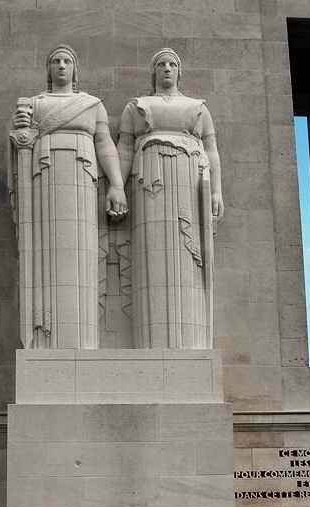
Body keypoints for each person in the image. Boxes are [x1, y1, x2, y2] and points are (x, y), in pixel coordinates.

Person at [10, 44, 126, 348]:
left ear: (75, 69)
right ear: (48, 69)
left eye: (67, 61)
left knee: (83, 252)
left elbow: (104, 145)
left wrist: (116, 185)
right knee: (48, 249)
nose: (61, 65)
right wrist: (21, 133)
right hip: (44, 181)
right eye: (56, 61)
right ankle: (45, 336)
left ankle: (81, 340)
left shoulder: (91, 105)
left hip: (83, 179)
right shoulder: (34, 104)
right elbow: (21, 145)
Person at [117, 48, 223, 348]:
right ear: (154, 72)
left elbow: (212, 151)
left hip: (189, 179)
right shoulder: (137, 106)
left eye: (172, 64)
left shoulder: (197, 108)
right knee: (152, 249)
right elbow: (124, 149)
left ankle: (190, 339)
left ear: (179, 71)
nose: (166, 68)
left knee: (189, 257)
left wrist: (217, 190)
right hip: (149, 180)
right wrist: (116, 187)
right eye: (161, 64)